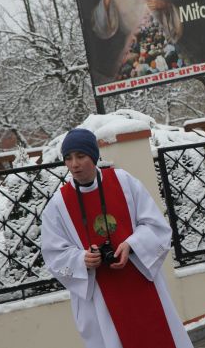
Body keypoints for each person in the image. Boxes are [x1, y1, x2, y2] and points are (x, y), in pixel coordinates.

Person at [41, 129, 193, 348]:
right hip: (100, 297)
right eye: (68, 158)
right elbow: (54, 254)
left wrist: (131, 244)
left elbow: (156, 225)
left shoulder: (124, 182)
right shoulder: (58, 205)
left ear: (93, 156)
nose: (74, 164)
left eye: (81, 156)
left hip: (140, 282)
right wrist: (81, 259)